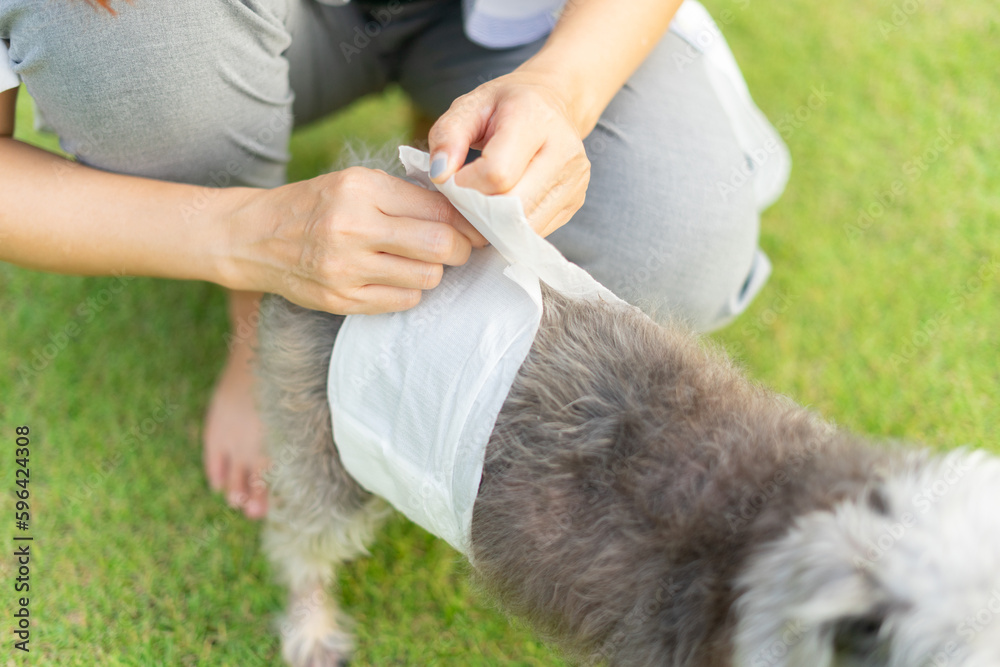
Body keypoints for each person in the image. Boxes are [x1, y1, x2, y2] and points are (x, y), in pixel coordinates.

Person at [0, 0, 786, 520]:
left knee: (671, 249)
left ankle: (450, 122)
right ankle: (263, 330)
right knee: (119, 33)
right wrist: (244, 235)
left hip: (502, 19)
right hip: (213, 30)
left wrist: (563, 88)